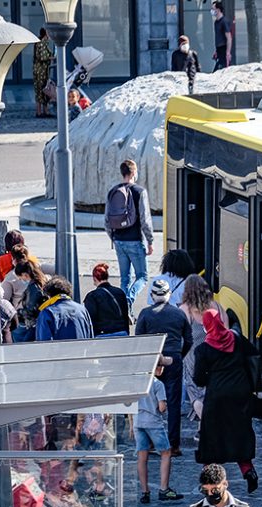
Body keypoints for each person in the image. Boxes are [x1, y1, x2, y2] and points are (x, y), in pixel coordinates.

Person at [193, 309, 259, 493]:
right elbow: (253, 355)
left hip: (217, 396)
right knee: (240, 433)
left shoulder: (203, 349)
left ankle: (209, 479)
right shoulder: (236, 339)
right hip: (240, 393)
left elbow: (198, 378)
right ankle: (248, 471)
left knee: (212, 437)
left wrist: (213, 379)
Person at [136, 280, 193, 457]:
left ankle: (152, 442)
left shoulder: (145, 314)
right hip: (174, 358)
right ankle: (174, 445)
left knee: (151, 402)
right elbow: (189, 340)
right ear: (168, 295)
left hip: (153, 359)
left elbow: (139, 341)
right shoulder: (178, 314)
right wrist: (179, 356)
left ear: (153, 296)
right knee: (174, 403)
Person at [135, 360, 184, 504]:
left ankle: (145, 492)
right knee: (166, 452)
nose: (163, 369)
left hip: (138, 421)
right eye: (161, 366)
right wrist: (164, 405)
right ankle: (164, 489)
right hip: (153, 422)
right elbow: (162, 407)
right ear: (155, 368)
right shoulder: (158, 384)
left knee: (142, 456)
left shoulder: (138, 383)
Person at [107, 159, 155, 307]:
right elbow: (145, 219)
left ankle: (125, 311)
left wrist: (113, 237)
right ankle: (128, 300)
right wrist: (150, 241)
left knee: (124, 279)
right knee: (143, 277)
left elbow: (106, 220)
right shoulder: (140, 192)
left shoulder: (113, 191)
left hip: (119, 240)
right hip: (135, 240)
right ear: (134, 173)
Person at [179, 275, 218, 424]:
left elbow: (180, 336)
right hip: (213, 353)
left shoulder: (185, 310)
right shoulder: (215, 306)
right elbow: (226, 330)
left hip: (193, 356)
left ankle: (209, 425)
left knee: (196, 394)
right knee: (209, 391)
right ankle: (202, 430)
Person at [36, 277, 93, 341]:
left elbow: (43, 344)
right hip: (82, 350)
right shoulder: (83, 310)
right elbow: (90, 338)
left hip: (59, 350)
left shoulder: (47, 313)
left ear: (49, 296)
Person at [84, 263, 131, 337]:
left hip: (102, 334)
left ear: (95, 278)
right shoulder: (120, 292)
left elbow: (90, 320)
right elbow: (125, 315)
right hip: (121, 332)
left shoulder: (92, 296)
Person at [14, 260, 48, 343]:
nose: (20, 279)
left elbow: (30, 309)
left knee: (23, 344)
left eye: (20, 277)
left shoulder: (33, 288)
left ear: (25, 275)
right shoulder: (42, 280)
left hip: (35, 322)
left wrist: (18, 312)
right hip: (42, 319)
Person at [1, 244, 32, 310]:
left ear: (13, 260)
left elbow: (4, 301)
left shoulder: (10, 277)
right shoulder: (36, 269)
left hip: (20, 312)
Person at [34, 27, 53, 118]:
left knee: (45, 89)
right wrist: (51, 58)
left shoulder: (44, 43)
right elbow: (42, 57)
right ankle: (39, 112)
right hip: (40, 71)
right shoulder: (41, 43)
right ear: (46, 34)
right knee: (41, 90)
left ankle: (45, 111)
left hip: (44, 70)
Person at [211, 2, 232, 71]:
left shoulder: (224, 22)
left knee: (220, 70)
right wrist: (217, 51)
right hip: (219, 49)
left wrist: (228, 52)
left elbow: (229, 38)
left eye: (213, 9)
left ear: (218, 10)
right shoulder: (216, 22)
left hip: (224, 49)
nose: (212, 11)